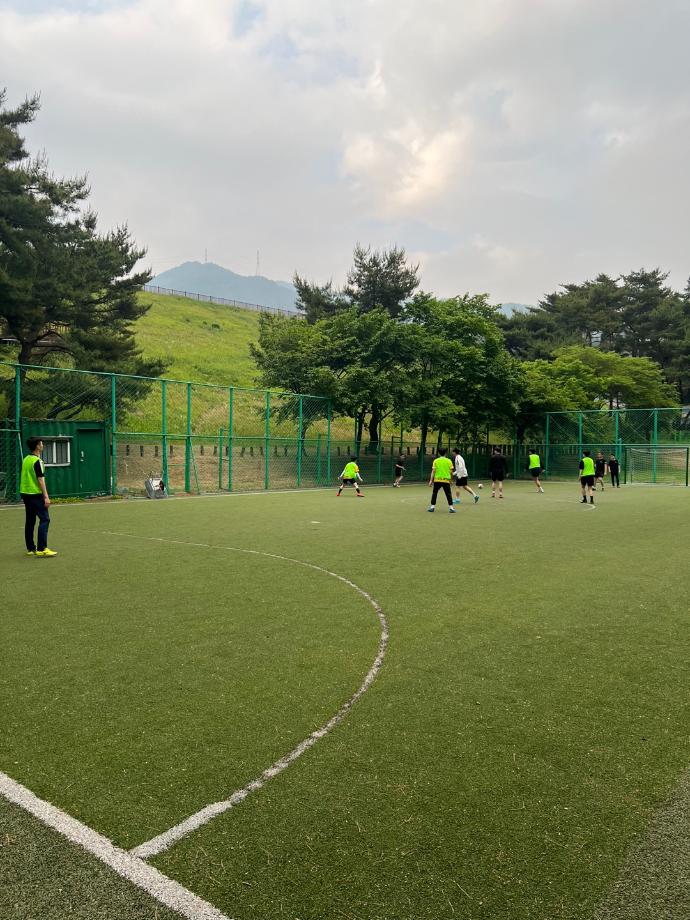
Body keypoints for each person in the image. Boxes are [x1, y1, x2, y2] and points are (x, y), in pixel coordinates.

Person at [20, 437, 57, 557]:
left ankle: (31, 548)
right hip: (35, 494)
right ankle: (42, 548)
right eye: (41, 443)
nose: (43, 445)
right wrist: (46, 497)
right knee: (45, 519)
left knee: (30, 520)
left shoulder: (26, 459)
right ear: (37, 446)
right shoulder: (37, 461)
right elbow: (40, 479)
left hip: (25, 493)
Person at [427, 447, 456, 513]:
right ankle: (451, 508)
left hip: (437, 480)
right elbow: (451, 472)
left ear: (439, 453)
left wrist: (431, 480)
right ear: (445, 453)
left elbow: (433, 471)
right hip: (446, 480)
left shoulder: (436, 461)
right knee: (448, 494)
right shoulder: (449, 461)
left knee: (435, 493)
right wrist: (451, 480)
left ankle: (432, 507)